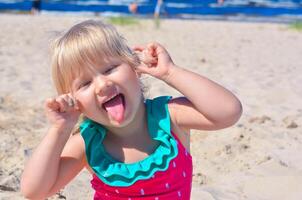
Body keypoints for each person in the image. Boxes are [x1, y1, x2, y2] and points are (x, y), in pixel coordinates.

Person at [20, 20, 242, 199]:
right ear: (75, 101)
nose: (102, 84)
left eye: (110, 68)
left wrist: (170, 73)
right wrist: (59, 129)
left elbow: (228, 112)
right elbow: (35, 190)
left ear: (135, 67)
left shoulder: (168, 117)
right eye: (85, 84)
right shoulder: (87, 143)